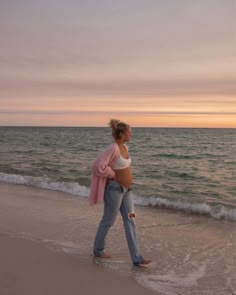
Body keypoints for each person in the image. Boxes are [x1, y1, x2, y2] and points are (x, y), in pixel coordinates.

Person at [89, 119, 151, 266]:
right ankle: (98, 250)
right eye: (129, 132)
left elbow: (124, 167)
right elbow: (98, 165)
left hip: (127, 192)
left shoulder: (125, 148)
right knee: (108, 221)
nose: (131, 134)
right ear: (122, 133)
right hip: (115, 190)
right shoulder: (113, 148)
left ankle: (137, 259)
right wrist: (111, 174)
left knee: (131, 220)